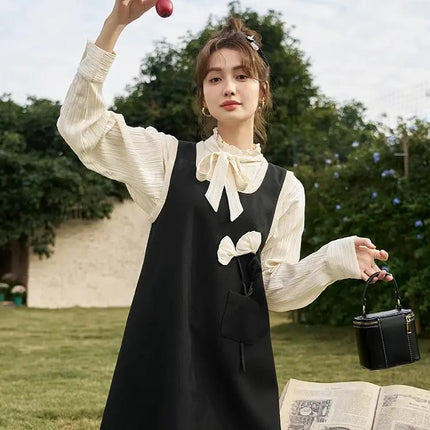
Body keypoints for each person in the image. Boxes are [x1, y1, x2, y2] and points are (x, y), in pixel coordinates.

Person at [56, 1, 393, 429]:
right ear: (203, 97)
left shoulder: (286, 188)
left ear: (263, 91)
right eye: (215, 78)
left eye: (242, 75)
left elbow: (274, 289)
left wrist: (335, 259)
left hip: (238, 365)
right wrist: (114, 26)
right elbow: (80, 126)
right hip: (166, 357)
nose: (228, 86)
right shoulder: (167, 161)